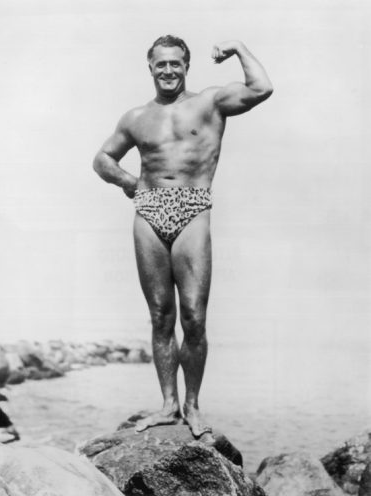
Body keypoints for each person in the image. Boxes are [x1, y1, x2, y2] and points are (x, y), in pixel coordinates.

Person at [93, 35, 273, 438]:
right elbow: (102, 159)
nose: (169, 70)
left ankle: (192, 405)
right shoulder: (136, 117)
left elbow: (262, 88)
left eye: (176, 63)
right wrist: (130, 182)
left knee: (193, 316)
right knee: (160, 316)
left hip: (193, 207)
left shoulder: (209, 102)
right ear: (151, 68)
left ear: (187, 66)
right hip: (149, 210)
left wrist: (240, 48)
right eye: (161, 64)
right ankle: (168, 405)